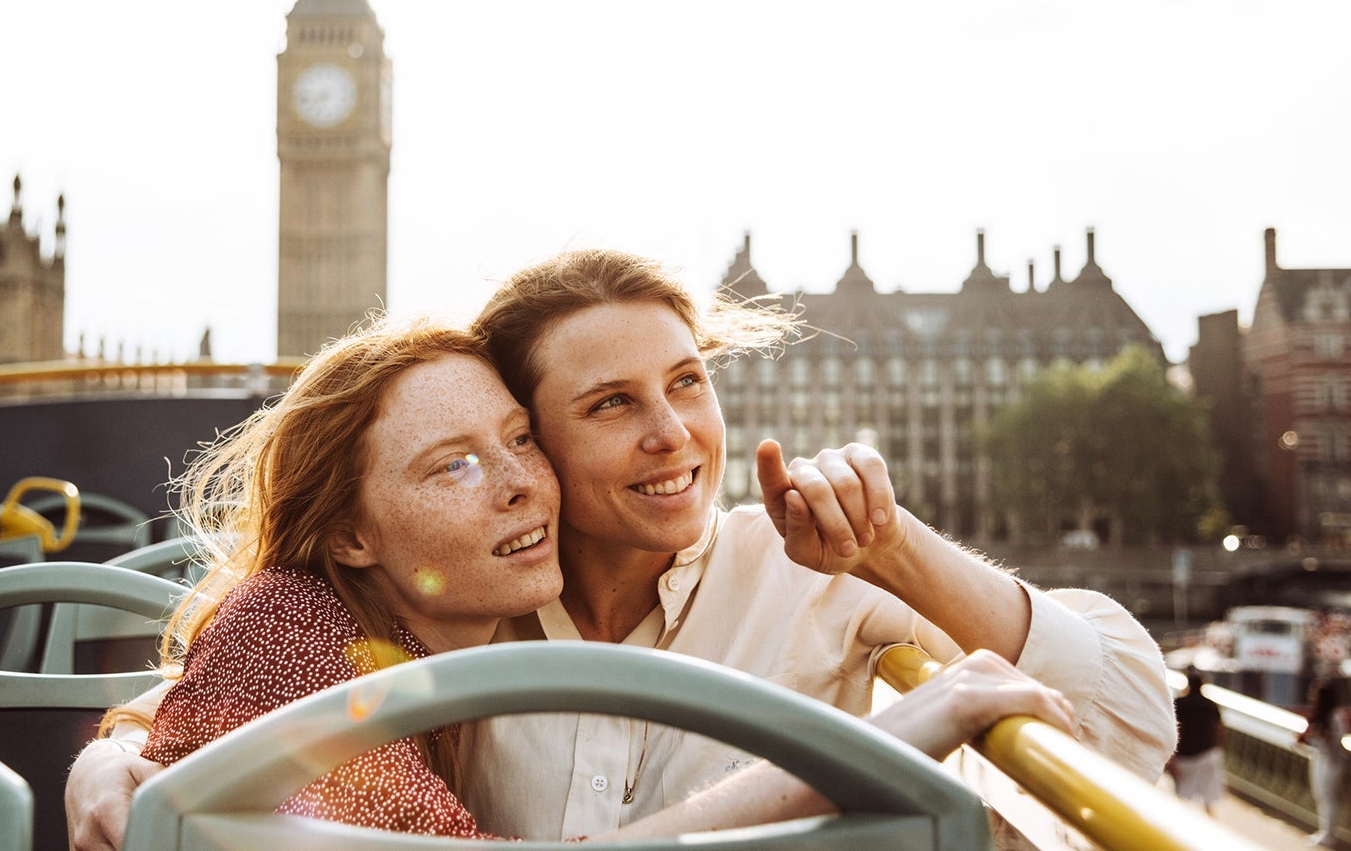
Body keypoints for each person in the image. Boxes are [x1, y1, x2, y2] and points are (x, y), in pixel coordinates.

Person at [69, 249, 1175, 846]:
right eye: (609, 404)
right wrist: (119, 753)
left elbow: (1130, 728)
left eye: (688, 382)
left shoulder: (815, 577)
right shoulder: (458, 601)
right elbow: (238, 680)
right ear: (539, 434)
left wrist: (895, 549)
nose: (674, 433)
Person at [1167, 668, 1225, 815]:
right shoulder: (1210, 705)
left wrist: (1171, 758)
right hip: (1208, 753)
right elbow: (1219, 729)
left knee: (1182, 797)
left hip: (1185, 755)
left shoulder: (1179, 704)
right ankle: (1211, 825)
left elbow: (1176, 730)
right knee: (1209, 798)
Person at [1302, 676, 1351, 848]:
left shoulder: (1335, 716)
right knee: (1320, 795)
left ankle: (1329, 833)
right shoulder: (1318, 716)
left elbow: (1336, 742)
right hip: (1320, 760)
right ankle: (1324, 830)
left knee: (1329, 797)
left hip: (1333, 763)